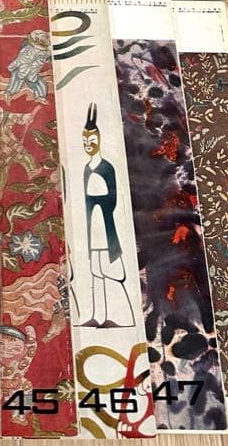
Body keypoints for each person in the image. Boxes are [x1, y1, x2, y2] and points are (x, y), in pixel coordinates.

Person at [81, 103, 135, 328]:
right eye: (85, 141)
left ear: (99, 140)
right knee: (95, 270)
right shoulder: (86, 168)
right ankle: (99, 315)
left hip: (105, 222)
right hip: (92, 223)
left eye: (92, 140)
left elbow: (113, 199)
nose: (88, 145)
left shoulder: (106, 167)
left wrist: (100, 206)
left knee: (110, 268)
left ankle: (121, 316)